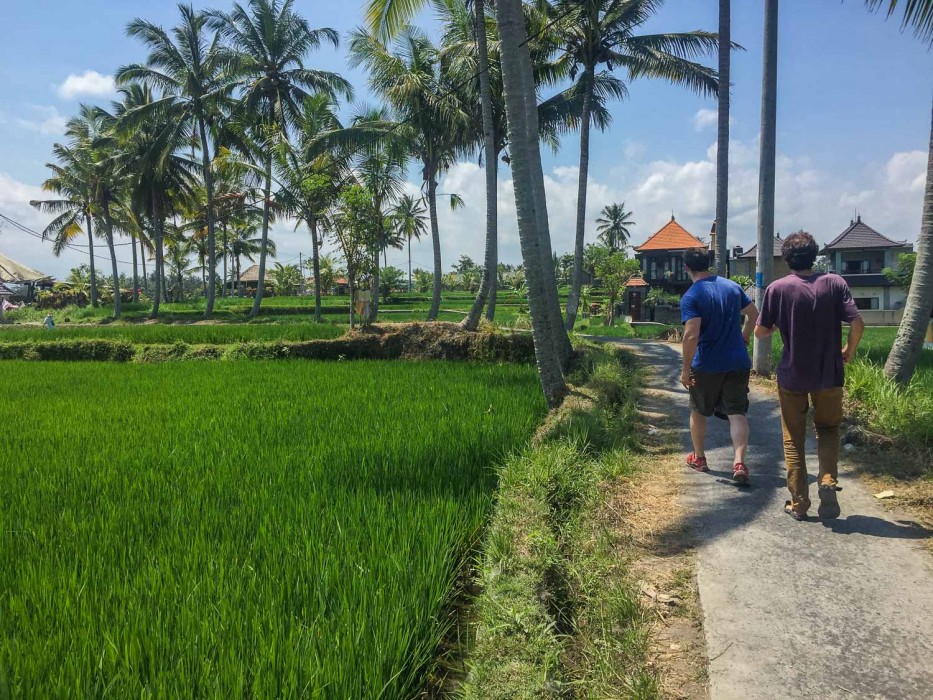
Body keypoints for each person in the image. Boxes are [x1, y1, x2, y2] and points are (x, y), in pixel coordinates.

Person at [755, 231, 864, 521]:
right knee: (828, 429)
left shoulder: (778, 289)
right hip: (829, 374)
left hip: (792, 375)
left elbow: (760, 331)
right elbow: (857, 322)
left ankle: (799, 502)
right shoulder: (834, 283)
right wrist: (848, 350)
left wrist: (780, 323)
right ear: (814, 256)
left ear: (787, 258)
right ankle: (827, 479)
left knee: (793, 438)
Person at [680, 248, 759, 483]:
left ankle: (700, 458)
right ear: (709, 264)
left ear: (687, 268)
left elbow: (691, 335)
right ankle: (739, 462)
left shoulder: (692, 295)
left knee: (698, 410)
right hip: (737, 362)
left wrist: (685, 370)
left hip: (706, 364)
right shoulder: (732, 287)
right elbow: (754, 314)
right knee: (737, 412)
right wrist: (745, 335)